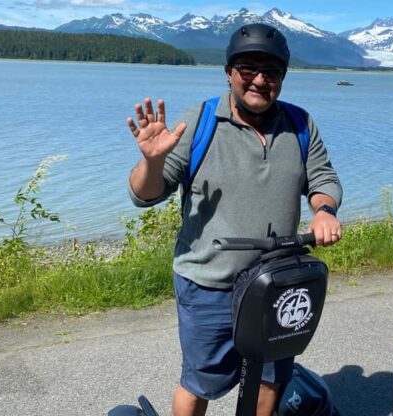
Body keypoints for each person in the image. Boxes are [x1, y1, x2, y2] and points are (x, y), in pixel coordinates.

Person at [126, 23, 343, 416]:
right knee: (199, 381)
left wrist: (324, 210)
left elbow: (322, 178)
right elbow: (146, 194)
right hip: (209, 282)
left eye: (271, 72)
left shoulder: (299, 124)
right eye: (248, 69)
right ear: (228, 72)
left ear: (282, 77)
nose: (259, 80)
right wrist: (152, 161)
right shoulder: (201, 121)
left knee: (271, 377)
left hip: (277, 282)